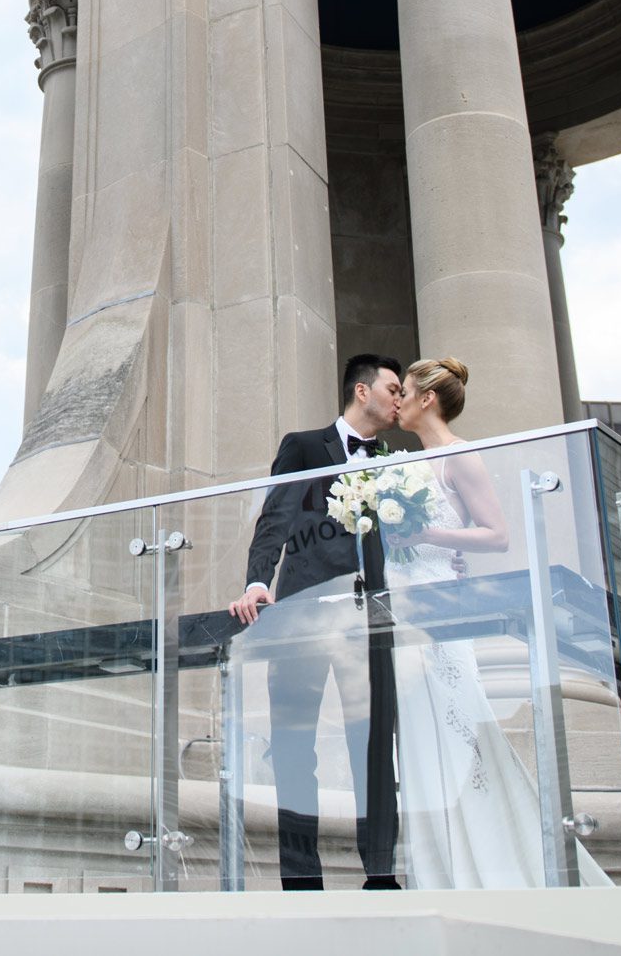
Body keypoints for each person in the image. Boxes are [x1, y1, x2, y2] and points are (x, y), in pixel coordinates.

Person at [385, 356, 611, 888]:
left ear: (427, 400)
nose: (396, 402)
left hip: (440, 608)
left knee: (460, 727)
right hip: (403, 607)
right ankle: (436, 867)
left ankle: (495, 863)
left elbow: (497, 534)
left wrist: (424, 537)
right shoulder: (404, 462)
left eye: (406, 391)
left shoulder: (461, 457)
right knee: (417, 736)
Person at [227, 353, 403, 891]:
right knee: (295, 749)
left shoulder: (398, 459)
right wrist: (259, 580)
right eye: (393, 388)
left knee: (372, 748)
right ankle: (301, 881)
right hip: (303, 618)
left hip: (370, 622)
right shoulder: (304, 446)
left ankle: (381, 875)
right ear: (361, 391)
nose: (400, 398)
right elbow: (275, 517)